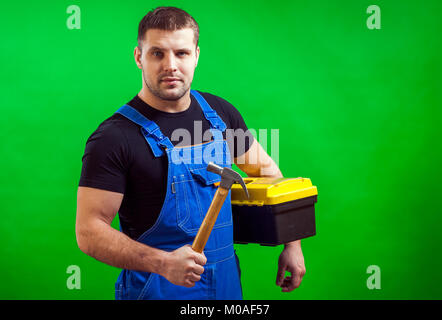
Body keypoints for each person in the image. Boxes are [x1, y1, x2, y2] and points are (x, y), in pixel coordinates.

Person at [76, 6, 306, 300]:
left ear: (196, 55)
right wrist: (162, 263)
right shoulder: (114, 137)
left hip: (226, 286)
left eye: (181, 53)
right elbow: (88, 230)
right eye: (157, 53)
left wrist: (292, 243)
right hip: (158, 287)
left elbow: (269, 175)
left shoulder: (220, 115)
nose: (170, 65)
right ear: (138, 57)